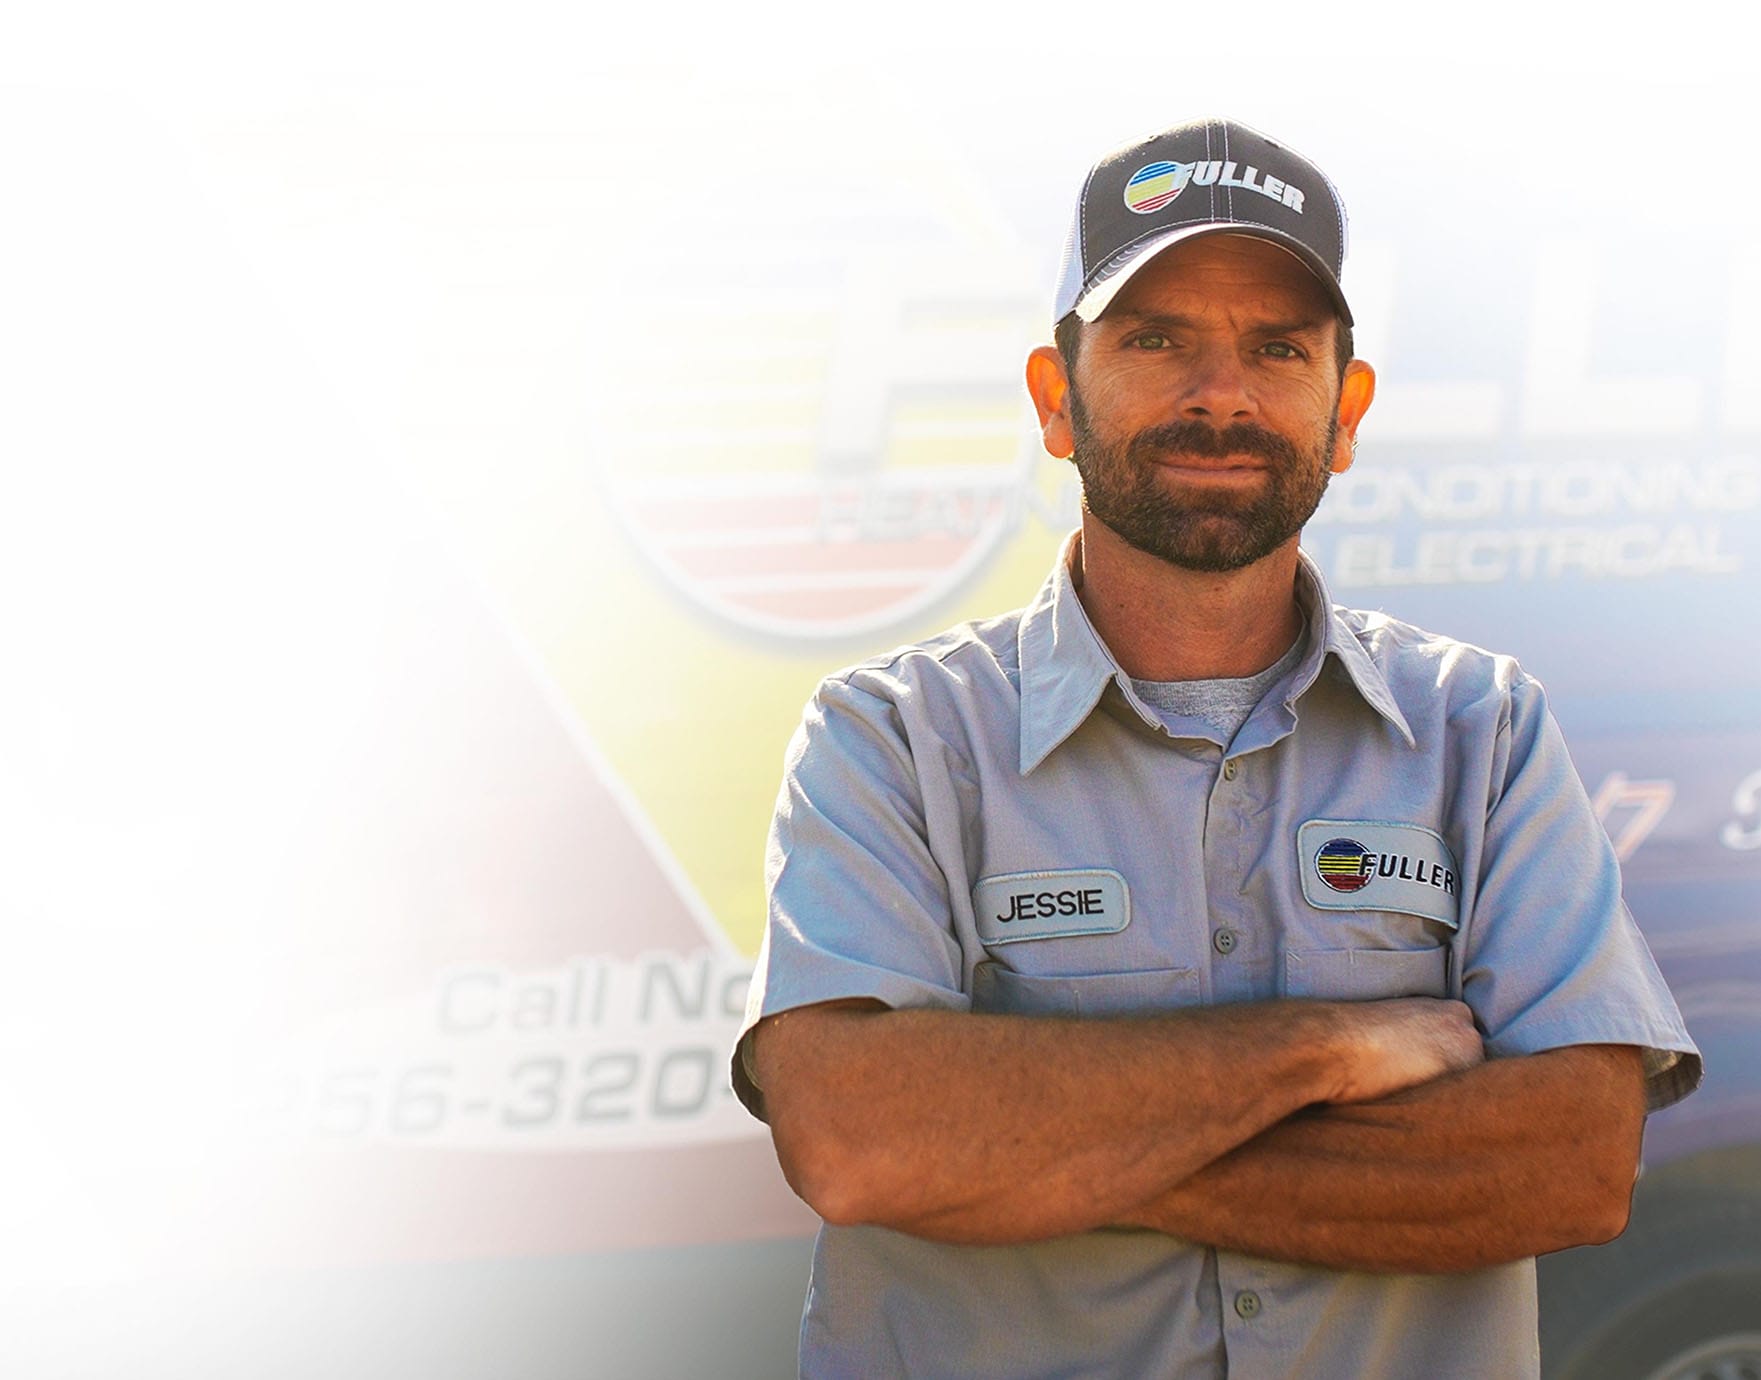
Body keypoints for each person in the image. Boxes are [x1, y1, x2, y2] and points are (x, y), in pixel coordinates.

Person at [730, 116, 1701, 1379]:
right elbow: (861, 1140)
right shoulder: (894, 736)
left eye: (1278, 348)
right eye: (1156, 339)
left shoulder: (1483, 728)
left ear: (1345, 411)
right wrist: (1325, 1051)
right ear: (1056, 399)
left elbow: (1571, 1169)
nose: (1222, 394)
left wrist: (1020, 1152)